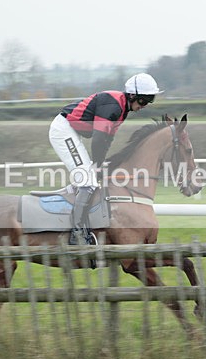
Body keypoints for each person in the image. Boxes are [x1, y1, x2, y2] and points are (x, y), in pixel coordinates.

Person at [49, 72, 162, 244]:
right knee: (87, 180)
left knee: (90, 177)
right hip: (63, 130)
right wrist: (97, 165)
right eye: (143, 100)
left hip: (71, 130)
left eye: (149, 101)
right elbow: (99, 139)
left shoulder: (122, 110)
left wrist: (100, 165)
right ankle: (77, 233)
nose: (145, 105)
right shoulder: (114, 106)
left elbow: (107, 140)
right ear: (132, 95)